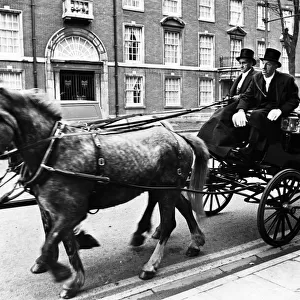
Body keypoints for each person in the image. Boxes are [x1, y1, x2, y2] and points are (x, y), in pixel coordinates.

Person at [230, 47, 300, 165]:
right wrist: (241, 110)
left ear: (275, 66)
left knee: (256, 115)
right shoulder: (256, 78)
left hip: (276, 117)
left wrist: (280, 110)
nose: (263, 67)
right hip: (261, 111)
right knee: (236, 113)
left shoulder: (287, 80)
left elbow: (294, 100)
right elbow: (247, 96)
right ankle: (232, 145)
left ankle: (251, 150)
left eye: (267, 64)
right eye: (263, 63)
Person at [198, 48, 258, 159]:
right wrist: (228, 97)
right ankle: (205, 142)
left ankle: (221, 147)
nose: (241, 66)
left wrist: (239, 97)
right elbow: (233, 91)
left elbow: (252, 93)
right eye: (240, 63)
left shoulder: (255, 76)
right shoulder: (240, 76)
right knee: (216, 113)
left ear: (250, 63)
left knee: (222, 115)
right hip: (235, 103)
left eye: (244, 63)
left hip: (246, 105)